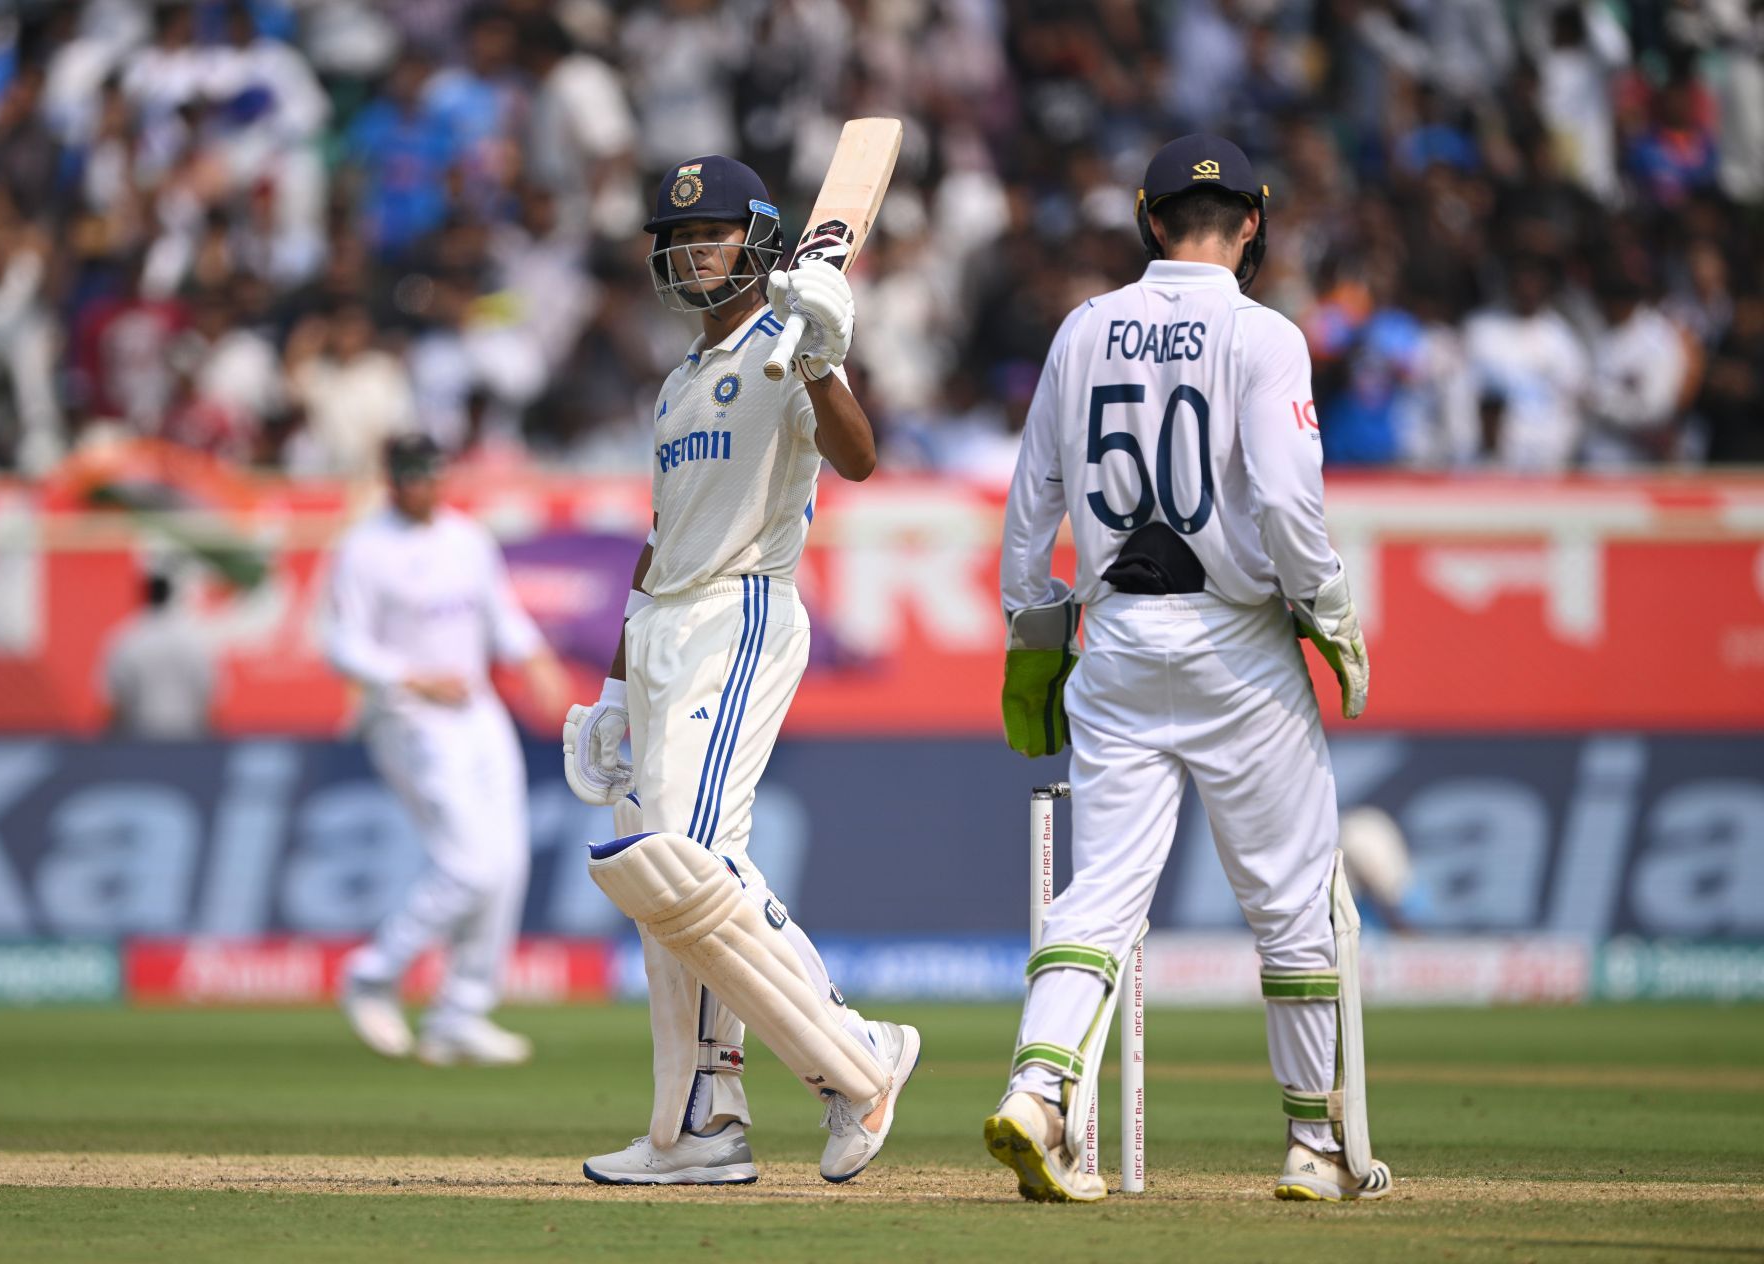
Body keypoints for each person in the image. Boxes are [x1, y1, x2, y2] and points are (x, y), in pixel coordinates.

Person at [985, 135, 1393, 1204]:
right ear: (1252, 224)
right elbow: (1292, 502)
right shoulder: (1265, 335)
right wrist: (1335, 616)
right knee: (1290, 896)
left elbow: (1031, 508)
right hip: (1237, 640)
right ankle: (1313, 1146)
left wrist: (1035, 640)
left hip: (1114, 637)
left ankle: (1037, 1091)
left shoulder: (1082, 329)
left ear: (1150, 220)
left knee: (1101, 891)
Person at [564, 155, 919, 1186]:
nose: (688, 250)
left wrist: (823, 354)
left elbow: (857, 460)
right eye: (675, 238)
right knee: (668, 883)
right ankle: (700, 1124)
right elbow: (657, 543)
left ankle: (858, 1059)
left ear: (759, 240)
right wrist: (616, 687)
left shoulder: (789, 339)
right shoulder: (675, 384)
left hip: (743, 611)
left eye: (709, 233)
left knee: (684, 858)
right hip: (668, 625)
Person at [328, 434, 569, 1067]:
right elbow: (343, 644)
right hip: (409, 720)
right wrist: (411, 676)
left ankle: (459, 1013)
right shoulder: (364, 549)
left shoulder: (467, 539)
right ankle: (372, 975)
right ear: (392, 482)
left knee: (508, 862)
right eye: (411, 478)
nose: (424, 489)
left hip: (478, 712)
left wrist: (537, 661)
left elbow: (501, 615)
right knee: (470, 864)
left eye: (432, 476)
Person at [100, 571, 217, 738]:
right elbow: (209, 700)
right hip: (188, 742)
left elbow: (113, 703)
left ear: (143, 596)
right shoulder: (195, 640)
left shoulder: (126, 639)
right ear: (172, 596)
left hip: (139, 742)